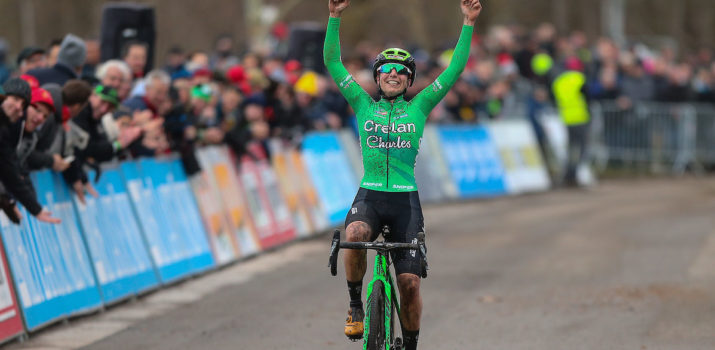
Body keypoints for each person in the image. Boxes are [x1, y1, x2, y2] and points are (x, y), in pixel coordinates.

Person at [324, 0, 482, 349]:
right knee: (354, 232)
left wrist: (468, 23)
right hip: (370, 195)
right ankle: (355, 305)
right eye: (386, 70)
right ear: (377, 76)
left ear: (409, 79)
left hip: (405, 202)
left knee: (409, 285)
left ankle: (410, 342)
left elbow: (454, 70)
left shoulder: (420, 106)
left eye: (400, 71)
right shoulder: (363, 103)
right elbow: (333, 63)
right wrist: (334, 18)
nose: (392, 74)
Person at [0, 78, 61, 224]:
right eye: (15, 99)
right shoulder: (11, 129)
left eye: (22, 105)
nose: (17, 107)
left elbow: (9, 169)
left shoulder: (8, 130)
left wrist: (34, 208)